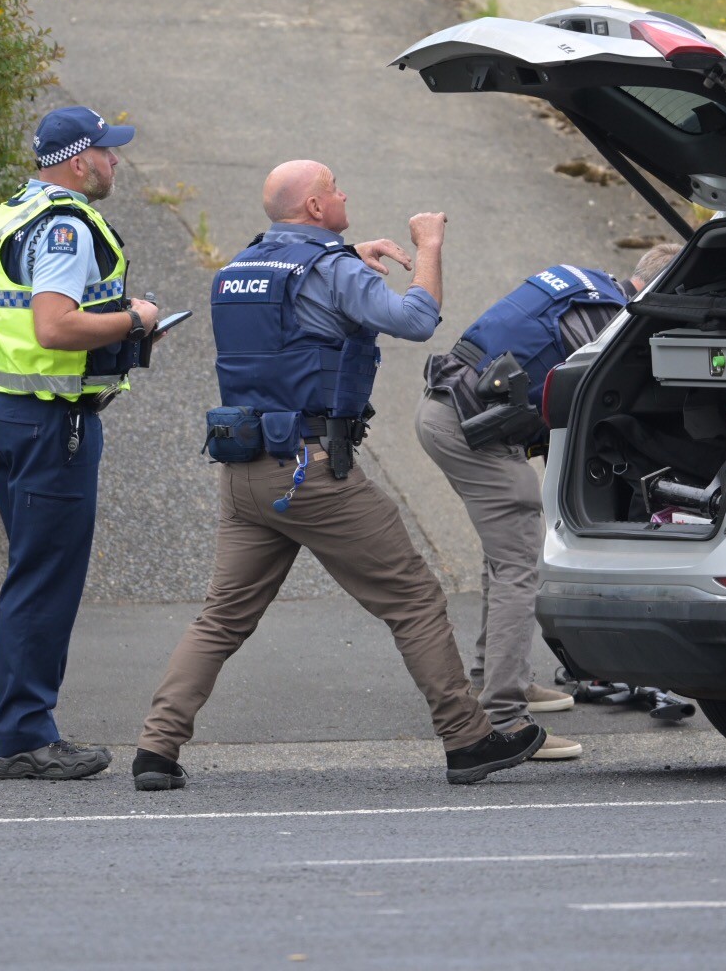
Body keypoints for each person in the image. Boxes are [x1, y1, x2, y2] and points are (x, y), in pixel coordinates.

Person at [134, 159, 547, 790]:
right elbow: (416, 319)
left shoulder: (238, 271)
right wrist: (427, 245)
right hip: (314, 472)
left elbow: (298, 294)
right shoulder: (333, 271)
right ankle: (468, 740)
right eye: (334, 189)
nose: (345, 193)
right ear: (315, 208)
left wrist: (347, 252)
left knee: (220, 618)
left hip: (243, 472)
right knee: (413, 598)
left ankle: (155, 752)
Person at [414, 246, 681, 747]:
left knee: (507, 556)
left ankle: (491, 678)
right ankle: (505, 719)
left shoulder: (587, 286)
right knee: (520, 566)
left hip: (448, 409)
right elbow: (590, 403)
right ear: (657, 291)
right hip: (472, 433)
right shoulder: (609, 320)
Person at [0, 105, 163, 780]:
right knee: (45, 580)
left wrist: (124, 329)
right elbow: (54, 327)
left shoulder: (10, 214)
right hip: (54, 422)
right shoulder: (63, 227)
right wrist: (133, 317)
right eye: (108, 153)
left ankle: (21, 730)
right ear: (80, 161)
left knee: (33, 573)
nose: (116, 163)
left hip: (8, 411)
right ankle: (27, 736)